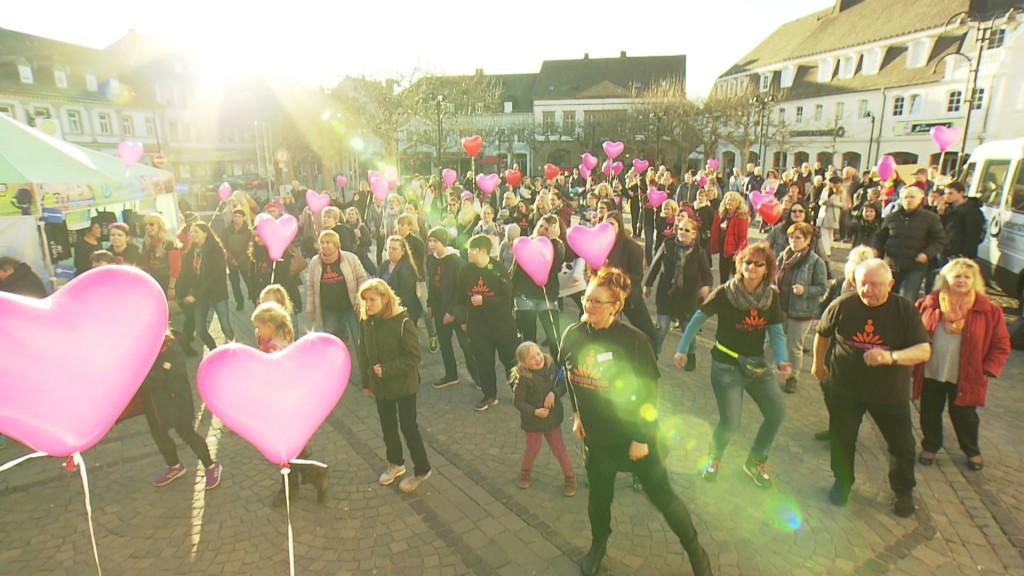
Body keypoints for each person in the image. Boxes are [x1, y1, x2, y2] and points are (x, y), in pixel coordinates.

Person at [560, 268, 712, 576]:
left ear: (616, 306)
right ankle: (598, 545)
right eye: (587, 298)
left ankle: (696, 551)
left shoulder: (634, 341)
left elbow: (648, 395)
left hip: (638, 440)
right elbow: (570, 377)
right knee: (599, 499)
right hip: (598, 439)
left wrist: (641, 438)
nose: (589, 306)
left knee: (664, 499)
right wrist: (576, 415)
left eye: (598, 302)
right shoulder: (573, 335)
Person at [813, 258, 932, 517]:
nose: (868, 290)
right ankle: (842, 483)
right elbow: (822, 333)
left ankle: (903, 491)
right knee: (842, 439)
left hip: (889, 393)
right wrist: (818, 365)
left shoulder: (904, 310)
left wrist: (891, 357)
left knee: (902, 446)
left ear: (890, 284)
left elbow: (923, 350)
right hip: (846, 389)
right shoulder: (843, 305)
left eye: (875, 284)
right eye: (862, 283)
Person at [675, 243, 790, 488]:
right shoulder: (726, 292)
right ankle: (713, 458)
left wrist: (781, 358)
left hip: (757, 366)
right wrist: (682, 349)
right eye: (747, 262)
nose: (752, 267)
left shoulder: (771, 297)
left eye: (759, 264)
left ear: (767, 269)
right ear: (740, 265)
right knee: (731, 422)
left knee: (777, 412)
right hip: (727, 366)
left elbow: (776, 331)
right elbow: (698, 318)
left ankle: (755, 460)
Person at [913, 258, 1010, 471]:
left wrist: (988, 369)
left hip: (966, 374)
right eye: (957, 276)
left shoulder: (989, 310)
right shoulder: (929, 304)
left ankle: (971, 450)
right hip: (932, 370)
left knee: (965, 416)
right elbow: (911, 332)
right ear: (945, 278)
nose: (962, 280)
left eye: (967, 277)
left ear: (975, 281)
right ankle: (930, 446)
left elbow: (1001, 344)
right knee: (929, 411)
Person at [358, 279, 432, 493]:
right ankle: (396, 464)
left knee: (408, 427)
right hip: (380, 386)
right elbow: (364, 353)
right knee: (387, 425)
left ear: (385, 298)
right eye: (365, 300)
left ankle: (422, 468)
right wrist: (366, 381)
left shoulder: (402, 322)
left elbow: (414, 356)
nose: (368, 304)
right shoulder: (367, 321)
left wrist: (388, 369)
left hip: (403, 385)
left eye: (373, 300)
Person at [252, 302, 329, 505]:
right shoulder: (279, 340)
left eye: (259, 327)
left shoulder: (274, 349)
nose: (257, 331)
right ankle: (299, 481)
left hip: (282, 405)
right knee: (291, 449)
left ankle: (306, 479)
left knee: (285, 451)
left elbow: (273, 377)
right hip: (287, 404)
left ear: (269, 326)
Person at [143, 328, 222, 490]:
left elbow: (162, 375)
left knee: (186, 433)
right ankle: (174, 465)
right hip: (154, 403)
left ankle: (211, 466)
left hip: (175, 400)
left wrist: (140, 380)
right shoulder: (145, 347)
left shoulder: (170, 347)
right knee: (159, 435)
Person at [456, 235, 519, 411]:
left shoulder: (498, 268)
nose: (468, 253)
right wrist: (462, 320)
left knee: (510, 360)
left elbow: (507, 299)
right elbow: (460, 298)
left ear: (483, 251)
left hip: (501, 324)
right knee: (483, 362)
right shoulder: (466, 270)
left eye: (472, 250)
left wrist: (484, 301)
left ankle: (518, 391)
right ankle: (489, 395)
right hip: (478, 326)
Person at [510, 341, 576, 496]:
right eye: (532, 358)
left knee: (559, 448)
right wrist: (534, 412)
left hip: (552, 419)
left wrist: (554, 393)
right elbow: (518, 401)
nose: (538, 359)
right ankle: (525, 473)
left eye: (538, 354)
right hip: (533, 422)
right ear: (524, 364)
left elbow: (563, 383)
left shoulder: (551, 366)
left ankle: (570, 477)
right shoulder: (523, 379)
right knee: (532, 448)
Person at [643, 219, 712, 360]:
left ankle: (691, 353)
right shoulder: (668, 245)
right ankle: (654, 355)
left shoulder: (699, 252)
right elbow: (655, 265)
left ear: (694, 234)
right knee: (661, 328)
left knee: (688, 329)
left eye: (687, 230)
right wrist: (648, 284)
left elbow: (707, 275)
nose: (682, 232)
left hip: (687, 297)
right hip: (666, 294)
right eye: (680, 229)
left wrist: (706, 287)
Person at [776, 223, 829, 394]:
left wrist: (805, 290)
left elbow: (822, 288)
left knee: (793, 347)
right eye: (791, 237)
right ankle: (763, 374)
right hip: (780, 308)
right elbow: (772, 275)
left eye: (798, 237)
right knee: (770, 342)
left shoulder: (815, 262)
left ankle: (793, 377)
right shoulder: (783, 256)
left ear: (807, 240)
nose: (793, 241)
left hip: (801, 312)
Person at [425, 227, 478, 389]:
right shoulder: (431, 259)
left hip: (457, 311)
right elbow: (432, 285)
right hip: (440, 308)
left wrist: (452, 312)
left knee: (465, 345)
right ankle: (451, 374)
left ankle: (479, 378)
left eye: (435, 241)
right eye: (430, 241)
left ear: (443, 242)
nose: (432, 245)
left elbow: (460, 289)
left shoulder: (455, 261)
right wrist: (430, 304)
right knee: (445, 344)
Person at [873, 186, 947, 301]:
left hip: (914, 267)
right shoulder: (892, 217)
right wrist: (875, 250)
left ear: (920, 199)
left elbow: (940, 239)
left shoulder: (930, 218)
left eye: (912, 197)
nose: (908, 200)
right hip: (891, 265)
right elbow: (880, 236)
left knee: (906, 299)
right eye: (905, 197)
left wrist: (927, 254)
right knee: (886, 297)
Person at [509, 215, 565, 359]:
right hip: (524, 296)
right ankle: (531, 371)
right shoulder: (525, 243)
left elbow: (557, 264)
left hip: (546, 296)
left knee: (554, 337)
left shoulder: (556, 245)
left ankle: (559, 368)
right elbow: (515, 270)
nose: (542, 230)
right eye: (540, 226)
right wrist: (511, 292)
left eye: (547, 229)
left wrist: (552, 240)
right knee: (528, 339)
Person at [602, 211, 659, 352]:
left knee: (647, 330)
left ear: (619, 226)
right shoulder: (601, 245)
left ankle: (652, 355)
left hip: (629, 295)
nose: (607, 227)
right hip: (607, 297)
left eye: (611, 224)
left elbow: (637, 276)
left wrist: (616, 278)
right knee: (606, 333)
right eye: (605, 224)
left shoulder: (632, 247)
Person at [176, 222, 235, 352]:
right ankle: (214, 351)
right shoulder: (189, 254)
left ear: (206, 234)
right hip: (201, 296)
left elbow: (214, 278)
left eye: (197, 231)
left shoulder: (216, 251)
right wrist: (179, 295)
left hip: (217, 293)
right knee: (201, 330)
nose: (193, 234)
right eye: (191, 231)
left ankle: (234, 349)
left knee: (225, 327)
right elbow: (185, 275)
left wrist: (194, 295)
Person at [306, 230, 368, 348]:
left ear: (336, 245)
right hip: (329, 308)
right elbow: (310, 286)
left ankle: (364, 364)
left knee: (359, 339)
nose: (324, 245)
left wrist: (359, 300)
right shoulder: (315, 262)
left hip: (351, 306)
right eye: (322, 242)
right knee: (329, 341)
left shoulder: (350, 258)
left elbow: (362, 279)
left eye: (328, 242)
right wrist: (310, 308)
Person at [380, 235, 423, 327]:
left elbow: (406, 295)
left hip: (403, 312)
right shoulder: (384, 265)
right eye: (389, 248)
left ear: (403, 251)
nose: (391, 251)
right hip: (386, 310)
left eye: (394, 249)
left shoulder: (406, 268)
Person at [710, 192, 750, 285]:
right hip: (723, 251)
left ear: (738, 203)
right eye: (728, 200)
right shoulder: (722, 216)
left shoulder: (741, 217)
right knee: (723, 278)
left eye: (732, 201)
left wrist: (738, 253)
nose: (729, 202)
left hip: (734, 254)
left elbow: (743, 238)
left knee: (737, 279)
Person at [140, 213, 181, 298]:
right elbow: (146, 267)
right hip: (154, 281)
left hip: (168, 281)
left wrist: (171, 287)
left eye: (151, 224)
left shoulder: (169, 243)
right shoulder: (146, 243)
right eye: (146, 225)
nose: (148, 227)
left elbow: (175, 267)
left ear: (160, 226)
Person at [222, 208, 253, 311]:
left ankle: (254, 299)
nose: (237, 219)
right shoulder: (227, 230)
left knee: (249, 282)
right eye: (235, 216)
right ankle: (239, 302)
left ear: (243, 218)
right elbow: (224, 245)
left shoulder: (248, 232)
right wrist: (231, 258)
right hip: (231, 261)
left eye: (239, 216)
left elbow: (249, 247)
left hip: (245, 261)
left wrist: (240, 260)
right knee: (235, 284)